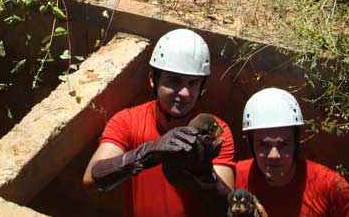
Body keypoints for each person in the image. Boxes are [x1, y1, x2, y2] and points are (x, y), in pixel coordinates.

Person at [82, 28, 235, 216]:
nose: (185, 93)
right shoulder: (127, 121)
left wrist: (204, 175)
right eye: (174, 81)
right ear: (153, 80)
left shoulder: (216, 130)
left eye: (193, 83)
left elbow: (229, 209)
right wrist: (149, 152)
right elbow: (91, 178)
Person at [234, 88, 349, 217]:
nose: (274, 155)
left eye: (283, 144)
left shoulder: (328, 185)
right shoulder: (237, 177)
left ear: (296, 143)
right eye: (264, 145)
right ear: (250, 145)